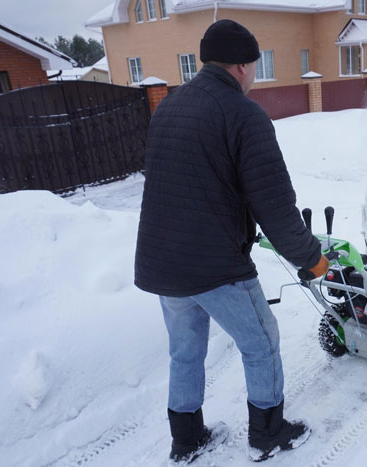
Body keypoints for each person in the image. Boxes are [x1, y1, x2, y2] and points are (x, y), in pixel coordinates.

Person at [134, 19, 329, 464]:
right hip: (215, 264)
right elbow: (276, 208)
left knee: (184, 353)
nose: (255, 72)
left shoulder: (169, 106)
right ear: (242, 65)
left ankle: (186, 439)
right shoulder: (243, 114)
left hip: (163, 261)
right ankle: (268, 432)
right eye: (256, 64)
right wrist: (312, 259)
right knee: (261, 342)